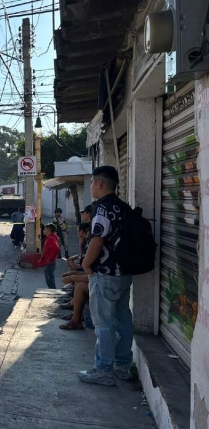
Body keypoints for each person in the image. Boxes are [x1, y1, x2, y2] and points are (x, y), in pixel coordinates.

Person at [79, 165, 133, 386]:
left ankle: (103, 370)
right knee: (123, 321)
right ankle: (123, 366)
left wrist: (86, 263)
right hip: (124, 273)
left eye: (92, 183)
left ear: (100, 183)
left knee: (103, 323)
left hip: (106, 274)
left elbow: (97, 240)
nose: (91, 187)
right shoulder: (123, 207)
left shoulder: (102, 209)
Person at [35, 224, 60, 289]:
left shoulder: (51, 238)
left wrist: (50, 259)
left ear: (48, 230)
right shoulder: (51, 237)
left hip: (49, 263)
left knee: (50, 280)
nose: (43, 230)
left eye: (45, 229)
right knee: (50, 279)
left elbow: (56, 249)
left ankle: (53, 293)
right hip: (49, 262)